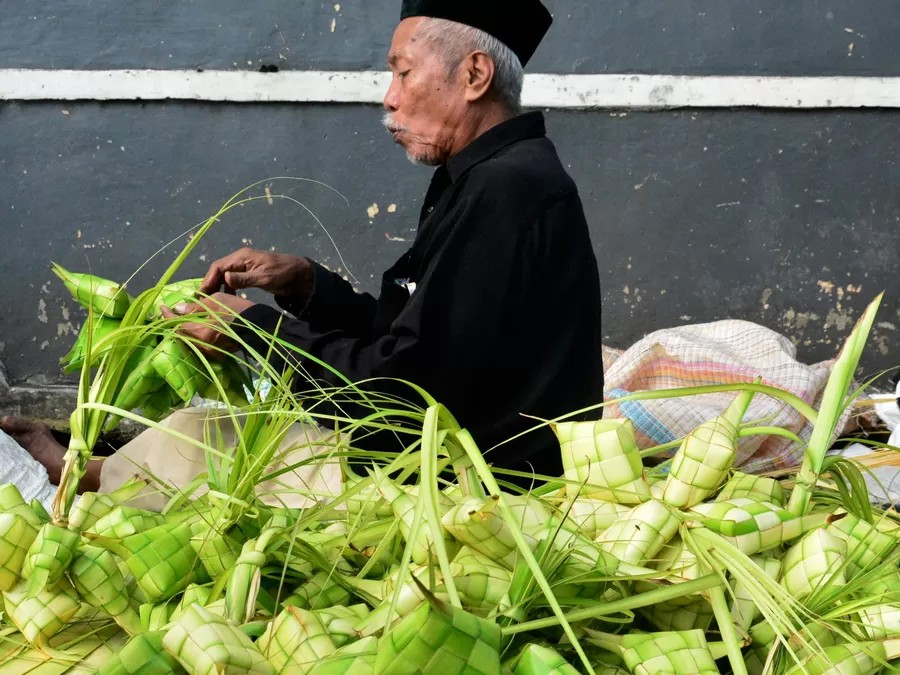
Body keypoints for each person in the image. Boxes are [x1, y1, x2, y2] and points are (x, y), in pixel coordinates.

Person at [2, 0, 605, 496]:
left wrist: (254, 330)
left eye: (402, 72)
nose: (390, 97)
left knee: (221, 451)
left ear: (474, 75)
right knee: (212, 427)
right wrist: (308, 286)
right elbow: (417, 343)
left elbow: (402, 393)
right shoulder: (491, 176)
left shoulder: (506, 191)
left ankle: (82, 478)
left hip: (471, 485)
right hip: (438, 448)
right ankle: (95, 470)